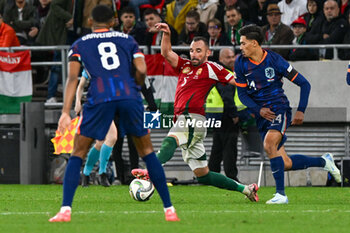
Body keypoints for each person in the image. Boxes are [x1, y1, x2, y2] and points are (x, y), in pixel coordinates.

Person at [49, 5, 179, 222]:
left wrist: (65, 112)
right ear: (113, 21)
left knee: (78, 152)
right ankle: (169, 210)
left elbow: (72, 79)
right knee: (147, 150)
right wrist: (134, 88)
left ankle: (65, 210)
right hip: (128, 95)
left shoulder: (80, 44)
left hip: (100, 97)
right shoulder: (127, 40)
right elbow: (142, 70)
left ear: (90, 22)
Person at [132, 22, 259, 203]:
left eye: (199, 50)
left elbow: (235, 79)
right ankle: (247, 189)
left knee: (171, 139)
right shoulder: (184, 66)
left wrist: (255, 85)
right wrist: (166, 33)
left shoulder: (212, 68)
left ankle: (150, 171)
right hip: (188, 121)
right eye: (192, 50)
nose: (194, 54)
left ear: (208, 53)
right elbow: (166, 53)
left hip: (193, 118)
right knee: (203, 175)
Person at [235, 24, 341, 204]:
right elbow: (242, 94)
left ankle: (281, 195)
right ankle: (324, 161)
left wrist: (301, 110)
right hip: (262, 116)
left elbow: (304, 84)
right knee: (284, 163)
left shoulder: (275, 60)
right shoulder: (240, 63)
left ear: (254, 43)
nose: (241, 47)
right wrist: (258, 109)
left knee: (269, 144)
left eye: (243, 43)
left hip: (279, 109)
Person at [75, 70, 118, 187]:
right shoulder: (90, 67)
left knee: (102, 142)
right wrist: (77, 102)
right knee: (110, 137)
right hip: (95, 106)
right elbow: (80, 86)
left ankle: (87, 174)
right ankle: (100, 173)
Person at [206, 48, 239, 181]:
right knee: (229, 147)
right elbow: (227, 96)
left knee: (218, 146)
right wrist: (234, 114)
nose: (231, 60)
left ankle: (211, 173)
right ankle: (231, 176)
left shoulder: (218, 73)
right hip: (226, 116)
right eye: (228, 57)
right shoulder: (225, 74)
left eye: (232, 57)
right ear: (220, 60)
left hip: (216, 115)